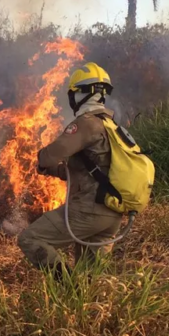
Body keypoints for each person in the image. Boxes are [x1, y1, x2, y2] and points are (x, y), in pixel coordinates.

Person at [17, 62, 123, 277]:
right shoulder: (112, 127)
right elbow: (85, 172)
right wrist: (52, 171)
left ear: (81, 93)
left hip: (89, 210)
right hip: (112, 212)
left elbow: (49, 155)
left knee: (31, 238)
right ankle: (84, 294)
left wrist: (41, 161)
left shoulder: (86, 123)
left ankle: (68, 284)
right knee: (90, 277)